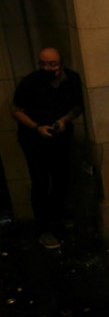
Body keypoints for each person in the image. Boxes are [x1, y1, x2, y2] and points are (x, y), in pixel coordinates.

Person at [10, 47, 83, 249]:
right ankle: (44, 228)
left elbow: (77, 107)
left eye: (52, 64)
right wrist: (36, 127)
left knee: (62, 179)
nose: (47, 67)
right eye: (43, 63)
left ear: (61, 62)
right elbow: (16, 111)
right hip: (34, 140)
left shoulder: (72, 79)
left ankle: (58, 219)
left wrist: (64, 120)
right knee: (40, 182)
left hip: (60, 136)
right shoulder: (31, 82)